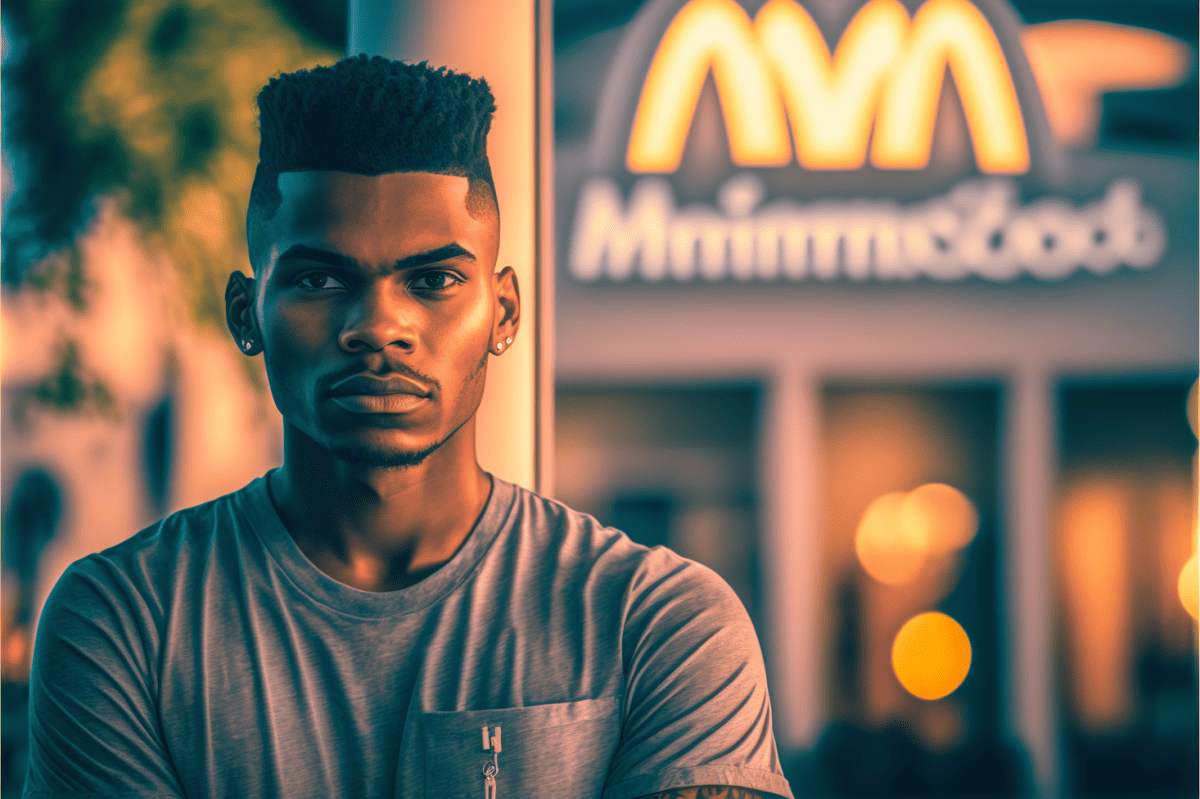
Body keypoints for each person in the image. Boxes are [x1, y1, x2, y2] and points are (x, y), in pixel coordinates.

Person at [23, 56, 793, 799]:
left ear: (504, 313)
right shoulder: (125, 621)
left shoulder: (659, 624)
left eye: (434, 280)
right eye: (319, 279)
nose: (379, 326)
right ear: (244, 313)